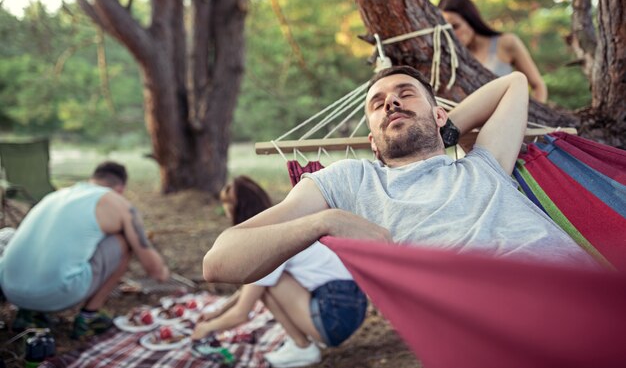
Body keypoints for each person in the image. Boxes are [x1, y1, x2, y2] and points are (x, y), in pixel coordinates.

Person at [201, 66, 598, 290]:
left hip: (585, 290)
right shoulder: (351, 180)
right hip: (491, 313)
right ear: (372, 140)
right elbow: (218, 261)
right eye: (377, 103)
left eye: (405, 94)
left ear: (441, 114)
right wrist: (325, 221)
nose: (390, 101)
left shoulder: (485, 163)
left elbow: (513, 83)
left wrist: (437, 130)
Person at [193, 176, 367, 368]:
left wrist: (206, 329)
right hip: (351, 305)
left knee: (266, 281)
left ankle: (302, 348)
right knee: (263, 282)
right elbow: (248, 291)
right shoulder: (283, 224)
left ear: (236, 208)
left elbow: (241, 313)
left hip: (336, 317)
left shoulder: (265, 243)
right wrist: (219, 311)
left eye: (227, 205)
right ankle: (300, 344)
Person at [0, 161, 169, 338]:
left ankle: (28, 314)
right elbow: (156, 272)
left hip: (10, 289)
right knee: (124, 241)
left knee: (11, 234)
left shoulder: (57, 195)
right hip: (54, 294)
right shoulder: (118, 203)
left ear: (92, 179)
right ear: (120, 188)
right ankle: (89, 318)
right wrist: (163, 272)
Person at [438, 0, 548, 103]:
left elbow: (538, 86)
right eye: (447, 29)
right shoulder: (450, 57)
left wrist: (532, 116)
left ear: (471, 20)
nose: (452, 34)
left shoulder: (506, 43)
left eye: (456, 26)